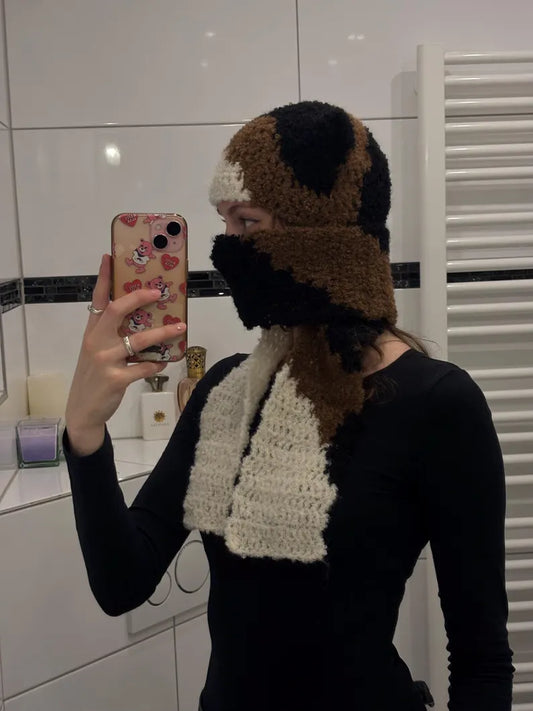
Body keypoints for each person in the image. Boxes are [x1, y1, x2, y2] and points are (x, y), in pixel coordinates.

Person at [64, 101, 514, 711]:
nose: (228, 249)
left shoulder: (437, 404)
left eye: (247, 222)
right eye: (224, 224)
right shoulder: (225, 391)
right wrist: (85, 430)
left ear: (322, 231)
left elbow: (482, 656)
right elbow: (123, 582)